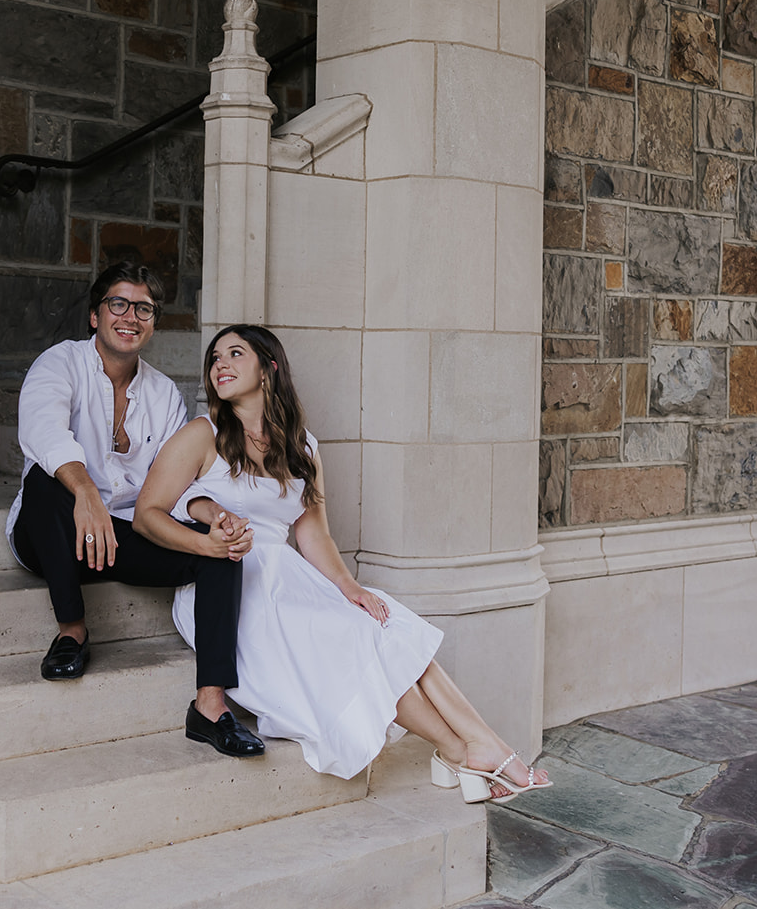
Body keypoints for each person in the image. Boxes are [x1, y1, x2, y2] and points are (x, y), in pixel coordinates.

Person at [133, 324, 552, 802]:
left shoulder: (303, 447)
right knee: (355, 640)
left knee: (383, 621)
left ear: (269, 369)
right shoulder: (202, 434)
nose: (219, 365)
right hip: (227, 587)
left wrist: (350, 588)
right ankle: (466, 750)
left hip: (288, 579)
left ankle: (473, 746)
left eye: (234, 354)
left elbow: (314, 535)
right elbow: (147, 514)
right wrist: (206, 544)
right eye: (214, 359)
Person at [6, 262, 264, 757]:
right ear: (94, 316)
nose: (130, 316)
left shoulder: (163, 392)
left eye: (143, 308)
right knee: (45, 480)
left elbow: (174, 477)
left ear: (153, 321)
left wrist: (210, 514)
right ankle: (72, 631)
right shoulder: (59, 363)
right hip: (54, 535)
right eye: (118, 304)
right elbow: (43, 431)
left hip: (123, 535)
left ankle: (210, 706)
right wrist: (83, 491)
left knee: (223, 550)